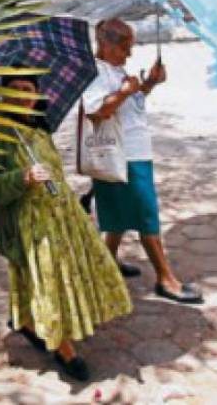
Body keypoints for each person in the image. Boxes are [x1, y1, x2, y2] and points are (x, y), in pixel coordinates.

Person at [0, 71, 132, 382]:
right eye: (15, 88)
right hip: (29, 226)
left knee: (56, 279)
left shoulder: (39, 132)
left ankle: (28, 322)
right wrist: (22, 178)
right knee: (49, 283)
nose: (22, 94)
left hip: (62, 219)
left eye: (28, 88)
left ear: (37, 94)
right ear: (3, 95)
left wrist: (76, 206)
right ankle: (63, 349)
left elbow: (56, 178)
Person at [81, 18, 203, 304]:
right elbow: (96, 111)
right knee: (146, 215)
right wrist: (124, 91)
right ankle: (166, 279)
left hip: (133, 150)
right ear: (105, 44)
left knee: (117, 213)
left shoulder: (114, 67)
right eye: (124, 47)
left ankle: (105, 262)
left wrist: (148, 83)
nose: (129, 54)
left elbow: (130, 105)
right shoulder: (95, 73)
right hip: (123, 155)